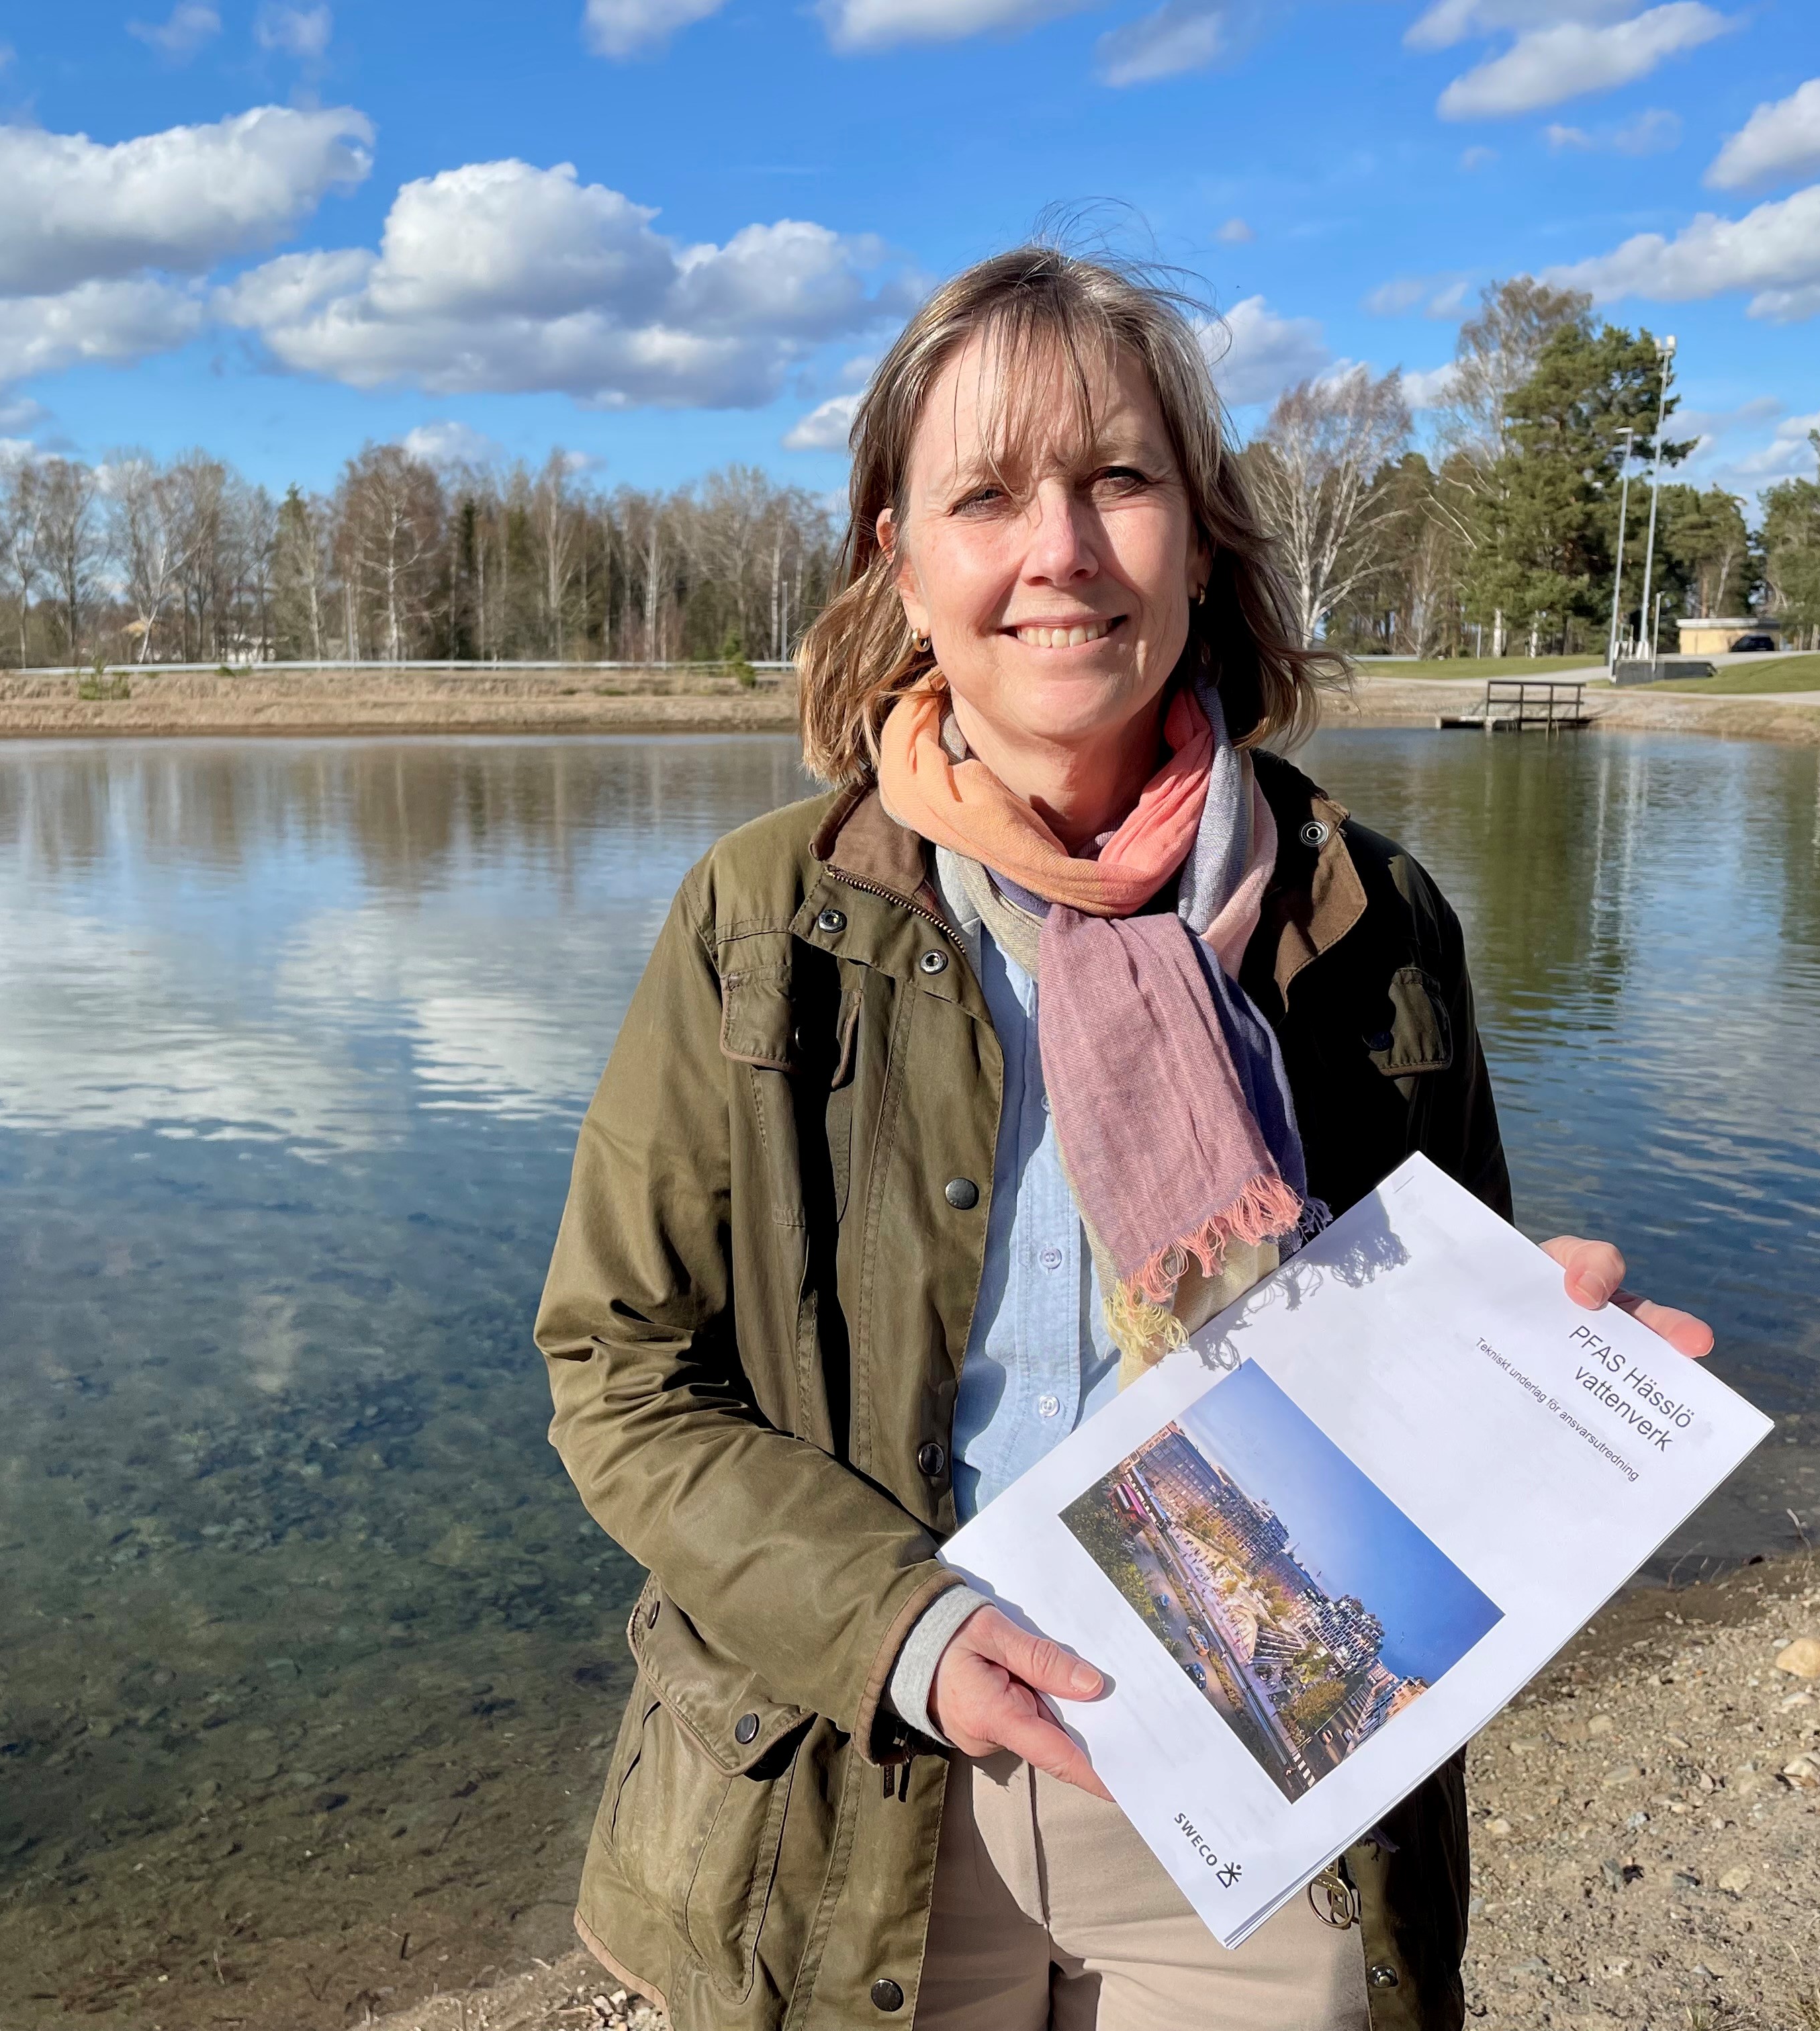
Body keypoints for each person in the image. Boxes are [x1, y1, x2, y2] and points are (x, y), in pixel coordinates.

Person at [535, 246, 1712, 2031]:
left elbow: (1430, 1378)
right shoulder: (761, 921)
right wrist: (904, 1630)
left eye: (1117, 480)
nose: (1062, 550)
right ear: (900, 558)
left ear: (1201, 535)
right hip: (863, 1786)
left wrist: (1542, 1372)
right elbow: (620, 1370)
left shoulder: (1370, 915)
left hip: (1274, 1805)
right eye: (987, 497)